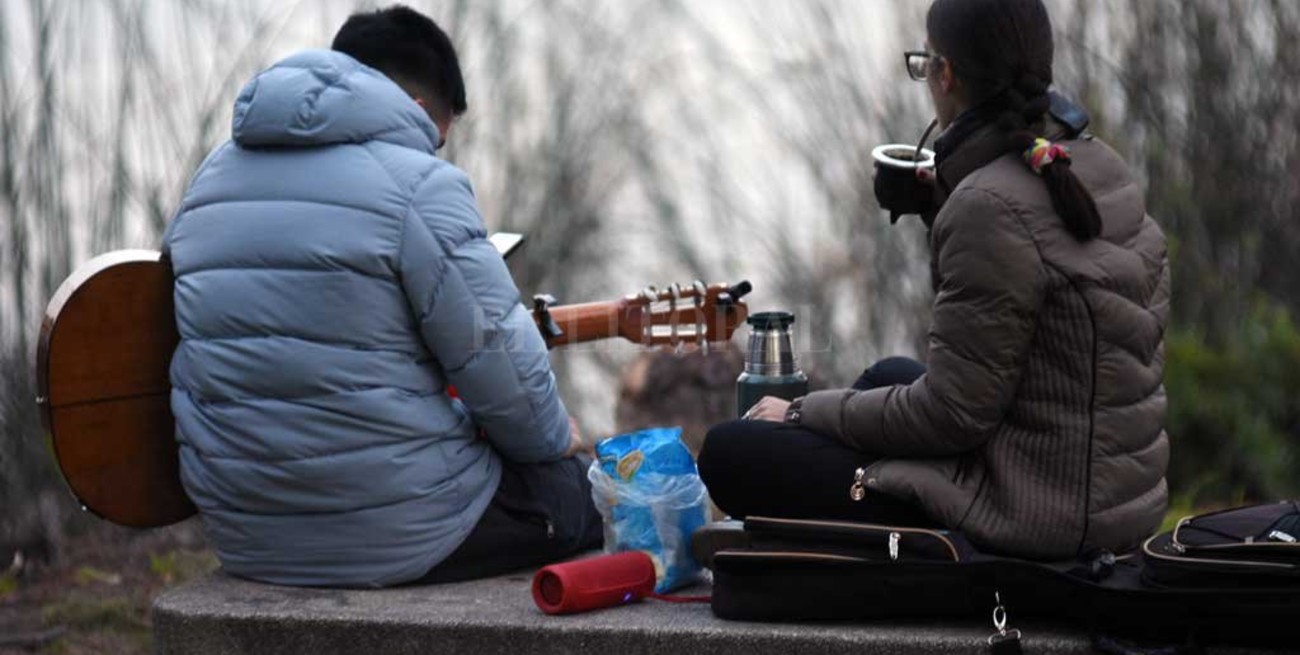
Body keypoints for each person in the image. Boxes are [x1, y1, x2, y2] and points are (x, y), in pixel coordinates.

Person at [700, 0, 1169, 561]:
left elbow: (950, 417)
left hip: (1034, 514)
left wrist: (802, 411)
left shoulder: (987, 206)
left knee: (730, 451)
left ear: (945, 74)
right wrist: (942, 203)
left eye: (924, 64)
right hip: (1106, 491)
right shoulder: (1094, 164)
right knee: (885, 375)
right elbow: (1011, 315)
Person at [161, 5, 601, 588]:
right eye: (436, 140)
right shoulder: (419, 184)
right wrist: (558, 438)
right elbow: (506, 376)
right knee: (590, 490)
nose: (433, 152)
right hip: (394, 532)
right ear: (415, 109)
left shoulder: (207, 181)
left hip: (245, 534)